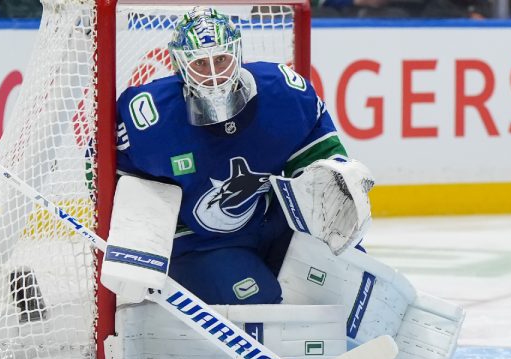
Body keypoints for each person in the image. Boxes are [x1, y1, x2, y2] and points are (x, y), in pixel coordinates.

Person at [114, 6, 369, 306]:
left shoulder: (282, 92)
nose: (214, 75)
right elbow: (108, 172)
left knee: (350, 279)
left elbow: (320, 151)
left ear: (237, 53)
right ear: (179, 65)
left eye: (221, 59)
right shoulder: (148, 118)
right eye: (200, 64)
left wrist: (337, 181)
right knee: (260, 305)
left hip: (272, 224)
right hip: (200, 245)